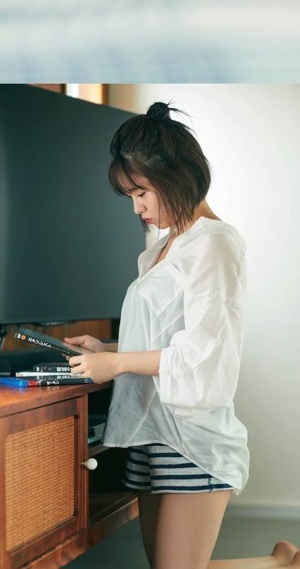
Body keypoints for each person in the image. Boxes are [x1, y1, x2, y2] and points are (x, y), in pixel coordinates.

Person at [64, 102, 299, 569]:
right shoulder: (163, 250)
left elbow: (203, 351)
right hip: (151, 430)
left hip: (190, 438)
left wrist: (119, 363)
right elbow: (167, 336)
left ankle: (281, 565)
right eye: (130, 196)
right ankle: (281, 563)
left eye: (141, 193)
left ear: (176, 176)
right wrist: (108, 350)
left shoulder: (216, 243)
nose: (137, 208)